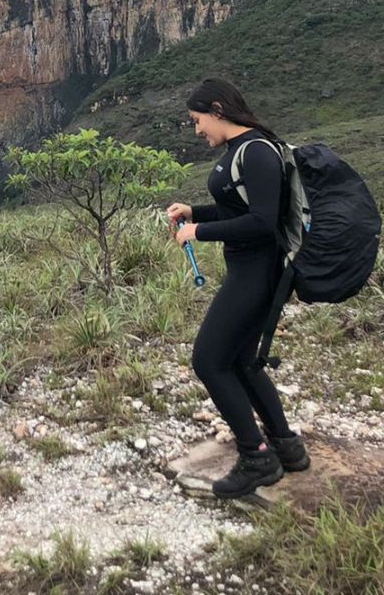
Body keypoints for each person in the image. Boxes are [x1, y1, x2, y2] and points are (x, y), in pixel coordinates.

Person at [166, 79, 310, 498]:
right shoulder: (240, 152)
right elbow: (239, 208)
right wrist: (195, 212)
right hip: (248, 270)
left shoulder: (258, 151)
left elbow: (263, 221)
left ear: (218, 110)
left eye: (197, 120)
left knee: (209, 361)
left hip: (259, 273)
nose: (197, 130)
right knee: (244, 362)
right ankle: (287, 447)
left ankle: (256, 457)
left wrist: (199, 230)